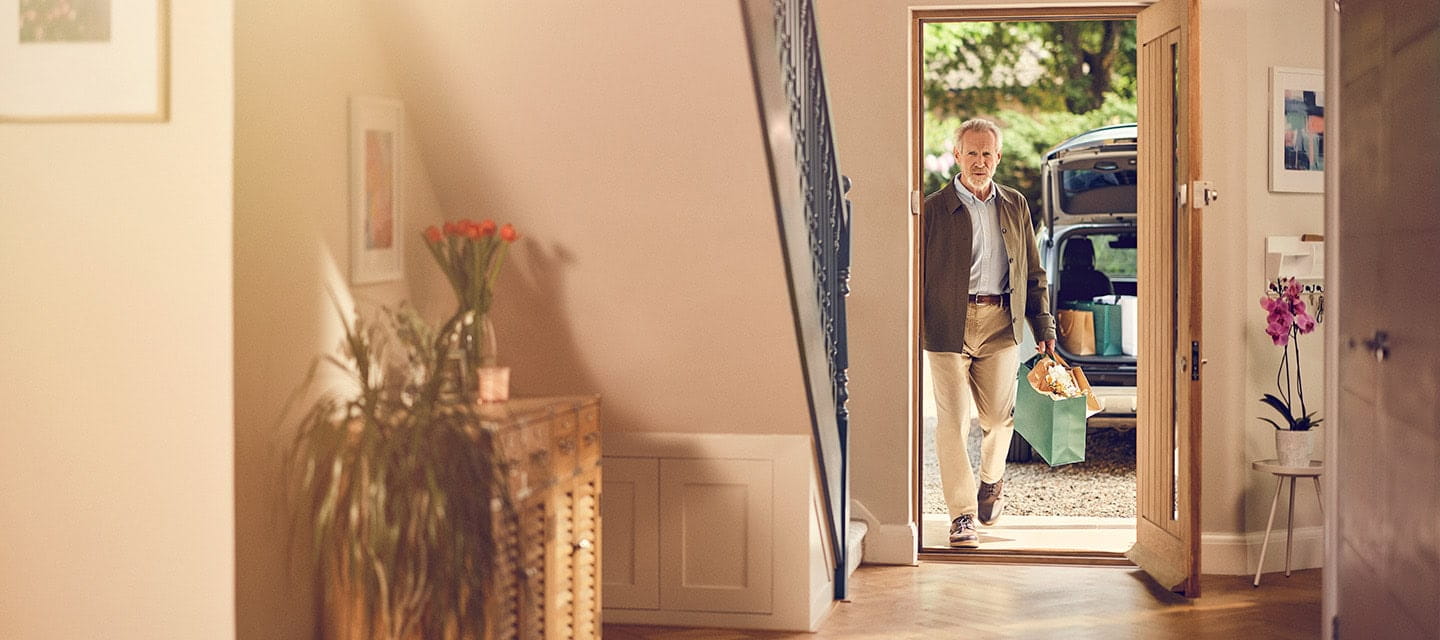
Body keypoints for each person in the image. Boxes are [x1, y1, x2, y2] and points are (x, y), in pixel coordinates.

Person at [923, 118, 1056, 548]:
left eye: (987, 154)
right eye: (971, 153)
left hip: (1001, 322)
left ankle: (991, 480)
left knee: (999, 419)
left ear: (997, 157)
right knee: (953, 420)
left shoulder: (1015, 205)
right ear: (957, 156)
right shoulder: (932, 209)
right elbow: (914, 274)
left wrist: (1044, 325)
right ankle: (961, 516)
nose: (979, 162)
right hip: (947, 324)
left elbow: (1034, 273)